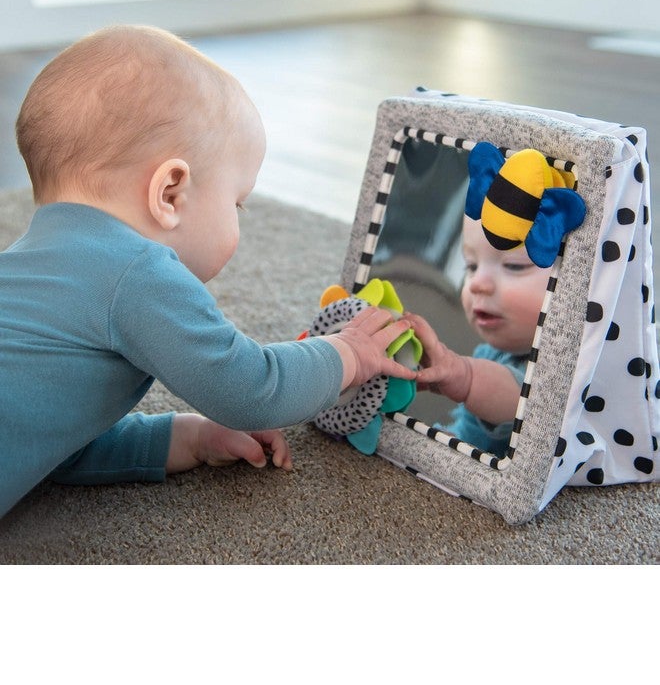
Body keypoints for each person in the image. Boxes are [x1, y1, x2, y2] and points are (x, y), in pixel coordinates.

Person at [0, 25, 415, 517]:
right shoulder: (138, 272)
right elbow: (254, 390)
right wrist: (347, 353)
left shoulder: (27, 271)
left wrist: (189, 436)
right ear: (170, 193)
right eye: (237, 202)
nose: (238, 216)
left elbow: (44, 440)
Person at [405, 214, 549, 456]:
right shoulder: (488, 354)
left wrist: (467, 376)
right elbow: (472, 432)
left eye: (514, 265)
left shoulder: (562, 371)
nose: (476, 284)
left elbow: (526, 405)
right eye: (471, 266)